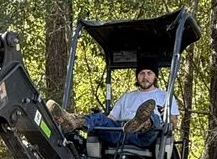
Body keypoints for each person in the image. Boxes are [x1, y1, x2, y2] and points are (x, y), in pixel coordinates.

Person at [47, 54, 179, 149]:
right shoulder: (127, 97)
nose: (145, 77)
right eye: (142, 73)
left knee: (154, 117)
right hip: (121, 132)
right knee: (99, 118)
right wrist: (100, 120)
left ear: (155, 76)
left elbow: (173, 124)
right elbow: (111, 118)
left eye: (149, 73)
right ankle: (72, 121)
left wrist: (166, 116)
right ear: (137, 76)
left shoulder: (165, 97)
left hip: (146, 137)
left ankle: (141, 123)